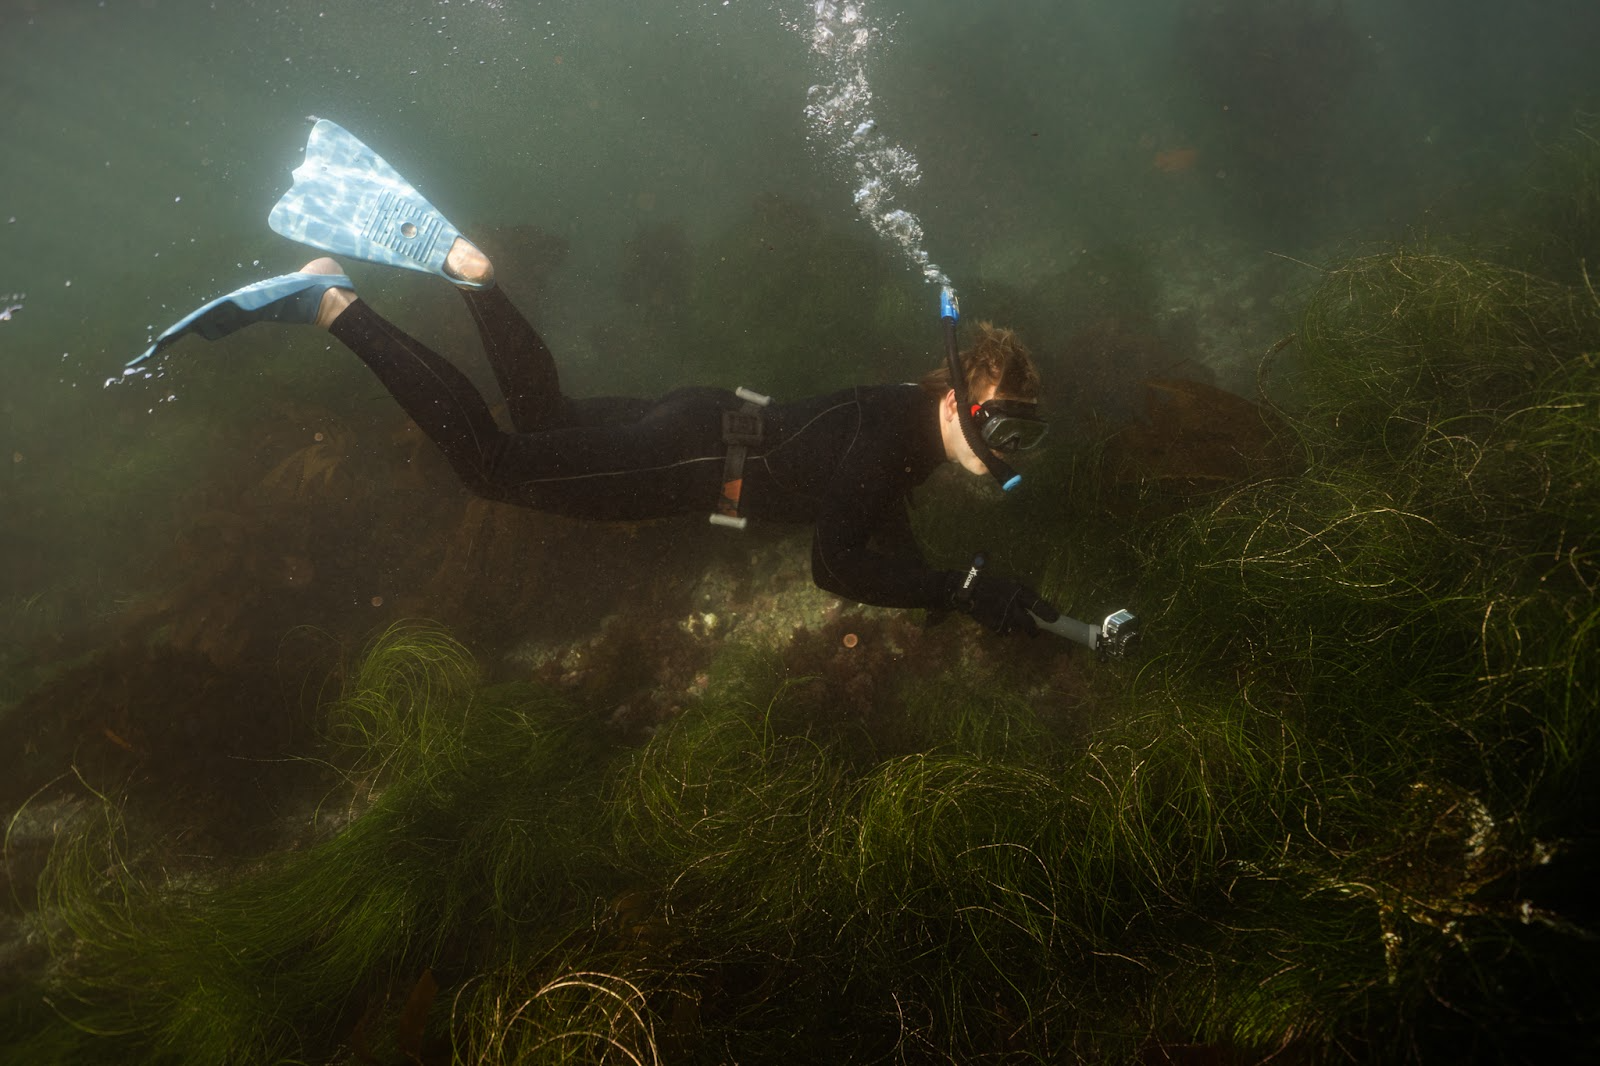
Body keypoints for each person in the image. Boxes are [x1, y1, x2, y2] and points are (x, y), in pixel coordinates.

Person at [131, 121, 1059, 636]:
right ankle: (334, 304)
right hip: (688, 463)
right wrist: (953, 591)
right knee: (491, 466)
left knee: (545, 416)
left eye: (1023, 435)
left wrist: (938, 585)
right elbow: (834, 563)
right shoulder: (896, 441)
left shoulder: (902, 428)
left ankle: (474, 280)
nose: (1009, 449)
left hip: (703, 423)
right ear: (957, 398)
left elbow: (872, 514)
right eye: (1005, 425)